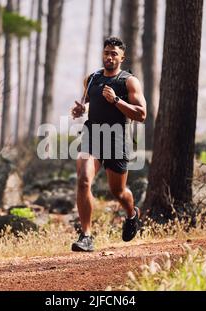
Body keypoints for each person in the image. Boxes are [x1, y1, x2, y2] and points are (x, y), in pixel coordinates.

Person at [70, 37, 147, 252]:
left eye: (114, 53)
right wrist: (79, 110)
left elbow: (142, 115)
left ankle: (132, 214)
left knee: (118, 192)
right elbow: (86, 104)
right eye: (106, 52)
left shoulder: (129, 81)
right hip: (92, 135)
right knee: (84, 180)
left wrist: (116, 100)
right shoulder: (92, 79)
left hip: (117, 138)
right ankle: (86, 236)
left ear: (122, 58)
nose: (109, 57)